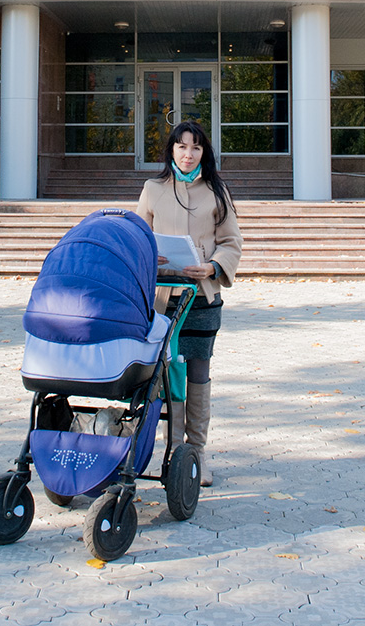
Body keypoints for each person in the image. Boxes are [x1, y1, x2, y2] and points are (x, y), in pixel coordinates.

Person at [136, 120, 242, 487]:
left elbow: (232, 243)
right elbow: (136, 239)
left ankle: (195, 455)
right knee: (161, 378)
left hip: (201, 297)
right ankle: (167, 452)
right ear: (171, 151)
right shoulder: (152, 190)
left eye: (195, 147)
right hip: (161, 300)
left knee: (197, 374)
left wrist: (212, 266)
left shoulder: (217, 191)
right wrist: (152, 257)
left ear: (203, 152)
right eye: (181, 146)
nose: (188, 153)